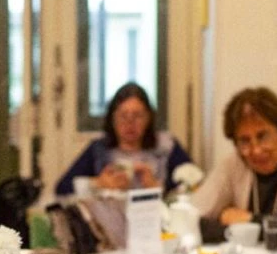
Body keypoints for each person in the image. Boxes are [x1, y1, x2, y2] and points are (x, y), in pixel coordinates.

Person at [192, 87, 277, 241]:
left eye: (263, 136)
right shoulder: (232, 165)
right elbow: (190, 218)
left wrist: (247, 220)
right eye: (244, 141)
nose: (256, 150)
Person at [54, 82, 192, 196]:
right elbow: (62, 188)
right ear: (112, 119)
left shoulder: (166, 147)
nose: (130, 123)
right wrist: (98, 183)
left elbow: (193, 187)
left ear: (149, 118)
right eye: (123, 116)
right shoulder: (99, 149)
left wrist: (157, 187)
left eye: (137, 116)